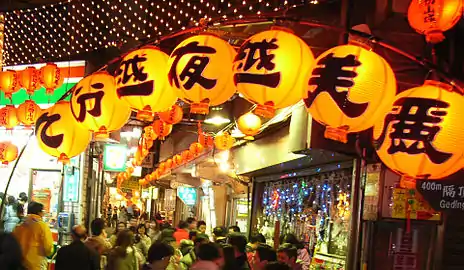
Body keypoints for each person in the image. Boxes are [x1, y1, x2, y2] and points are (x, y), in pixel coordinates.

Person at [13, 201, 54, 270]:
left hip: (20, 264)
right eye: (43, 211)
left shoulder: (19, 226)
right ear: (39, 212)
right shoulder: (42, 226)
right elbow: (48, 247)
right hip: (36, 265)